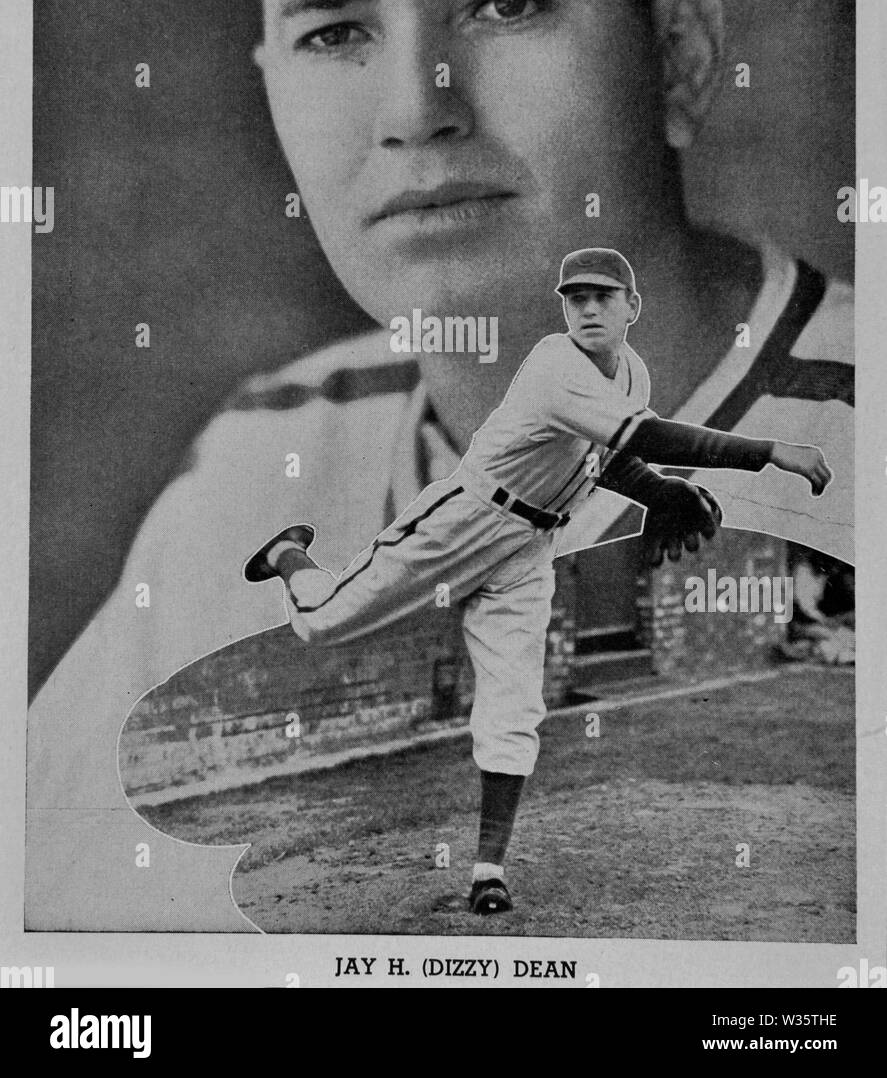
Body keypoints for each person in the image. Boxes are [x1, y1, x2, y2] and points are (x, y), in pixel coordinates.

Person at [26, 0, 853, 930]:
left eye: (504, 5)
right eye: (333, 32)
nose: (416, 106)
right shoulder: (262, 452)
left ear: (678, 54)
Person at [242, 246, 831, 913]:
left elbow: (604, 457)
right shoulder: (555, 364)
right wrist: (768, 451)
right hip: (466, 518)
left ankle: (487, 871)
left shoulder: (631, 374)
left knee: (514, 709)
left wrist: (658, 492)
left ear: (632, 307)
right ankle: (289, 554)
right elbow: (648, 439)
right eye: (575, 297)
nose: (587, 309)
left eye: (602, 296)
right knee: (322, 622)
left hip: (530, 544)